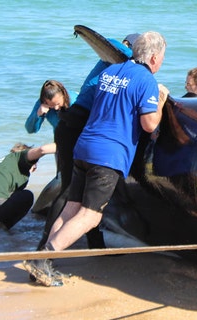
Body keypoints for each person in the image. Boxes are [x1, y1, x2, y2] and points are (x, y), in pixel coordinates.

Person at [23, 31, 168, 287]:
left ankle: (41, 257)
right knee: (91, 216)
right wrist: (160, 101)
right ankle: (43, 259)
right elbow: (148, 124)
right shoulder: (146, 80)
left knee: (71, 208)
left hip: (84, 147)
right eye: (163, 58)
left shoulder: (110, 72)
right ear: (154, 57)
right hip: (108, 156)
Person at [36, 34, 137, 251]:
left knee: (82, 194)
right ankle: (43, 246)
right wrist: (130, 51)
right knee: (68, 192)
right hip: (73, 124)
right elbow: (112, 43)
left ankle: (95, 244)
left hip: (76, 125)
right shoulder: (112, 58)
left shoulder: (119, 70)